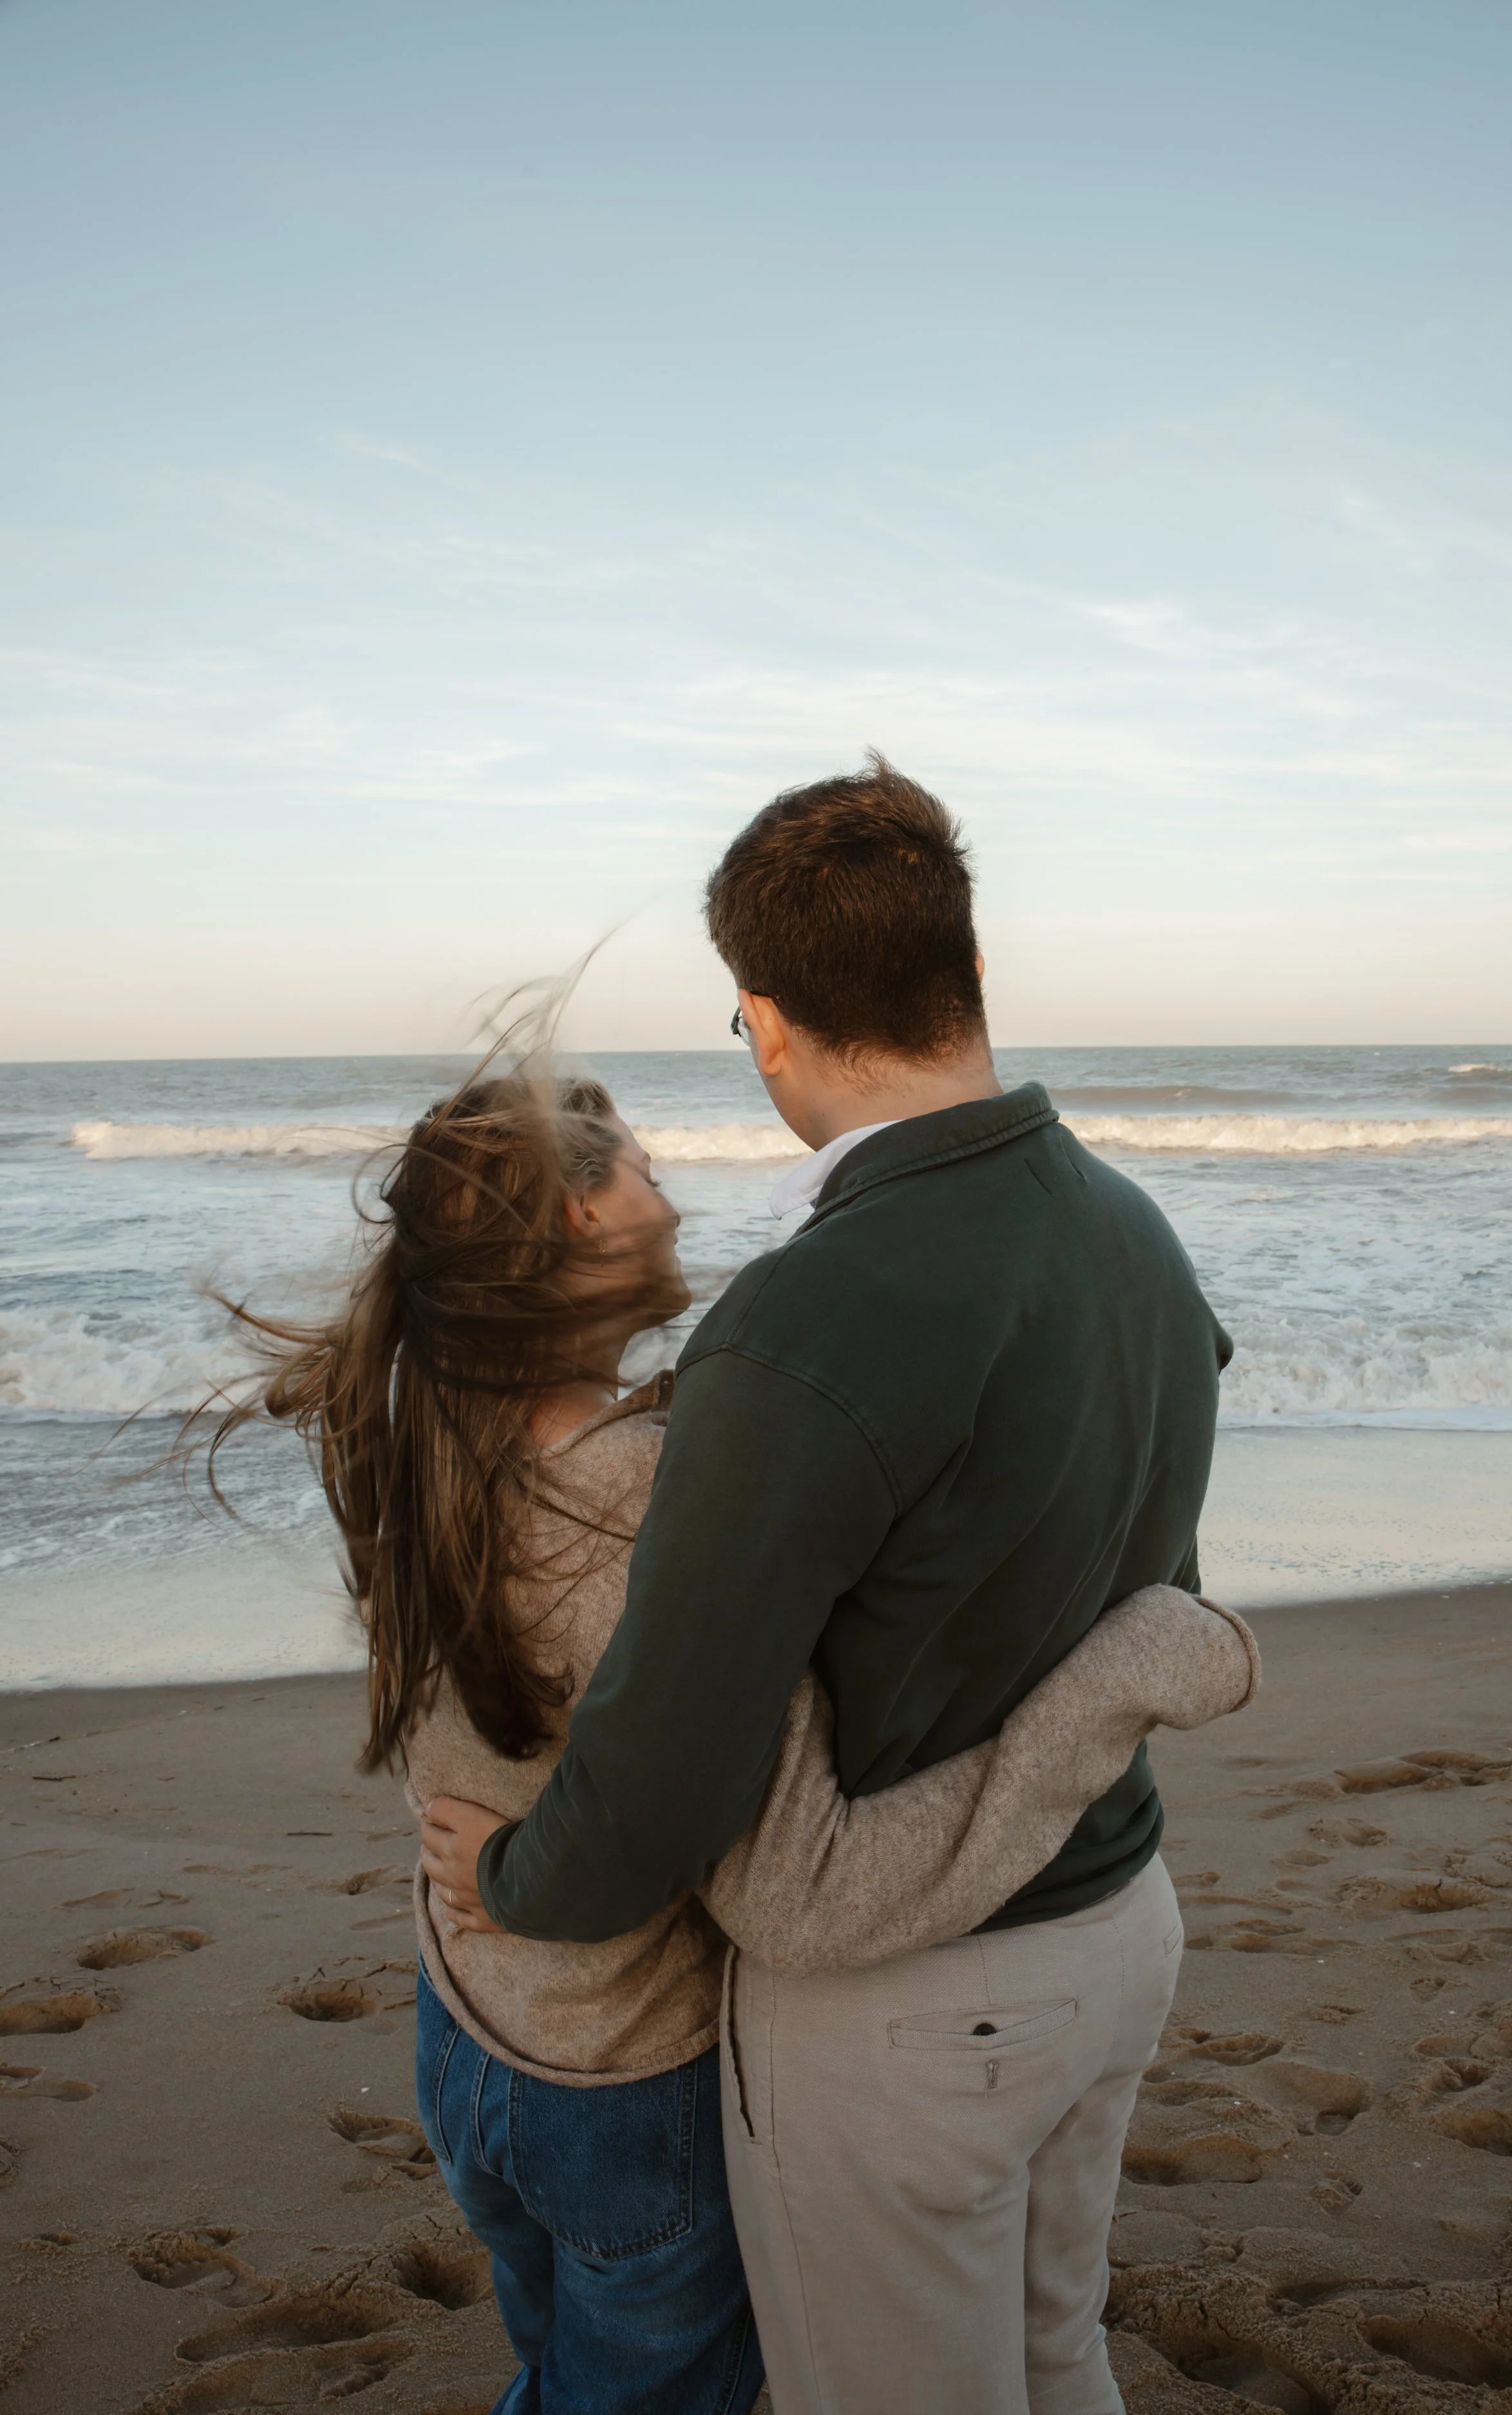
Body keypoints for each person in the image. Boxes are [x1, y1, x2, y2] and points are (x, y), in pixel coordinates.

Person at [207, 1050, 1256, 2415]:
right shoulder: (649, 1487)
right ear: (577, 1220)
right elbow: (801, 1888)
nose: (676, 1197)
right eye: (641, 1167)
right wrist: (1118, 1675)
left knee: (559, 2377)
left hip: (470, 2040)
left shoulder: (424, 1428)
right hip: (626, 2077)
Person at [424, 758, 1238, 2415]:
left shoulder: (798, 1323)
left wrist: (516, 1883)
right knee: (1051, 2354)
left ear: (767, 1019)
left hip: (915, 2010)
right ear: (973, 976)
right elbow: (1146, 1558)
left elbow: (666, 1763)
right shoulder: (1137, 1232)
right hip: (1118, 1925)